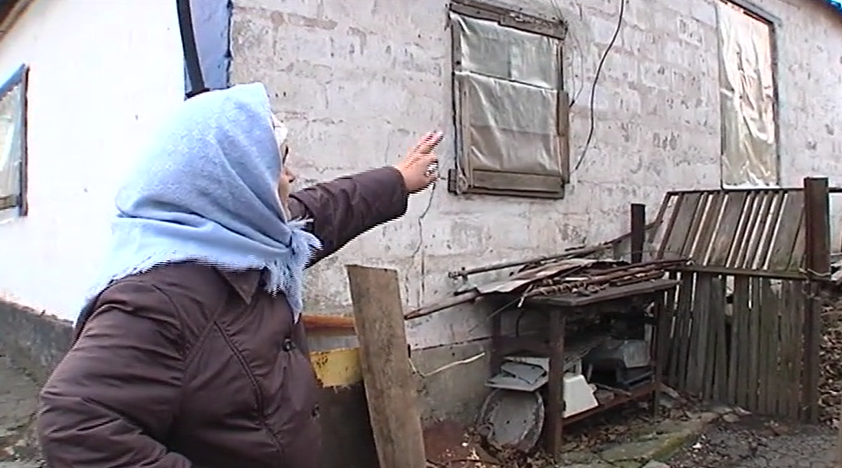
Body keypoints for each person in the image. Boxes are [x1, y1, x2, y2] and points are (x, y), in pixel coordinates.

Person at [36, 82, 442, 468]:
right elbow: (76, 425)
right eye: (280, 163)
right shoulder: (160, 297)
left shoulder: (244, 239)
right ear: (234, 180)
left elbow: (324, 211)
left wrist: (397, 179)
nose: (292, 176)